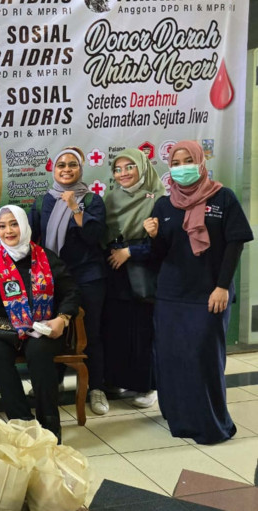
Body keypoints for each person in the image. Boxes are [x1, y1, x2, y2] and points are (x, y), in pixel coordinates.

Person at [144, 140, 253, 444]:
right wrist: (153, 237)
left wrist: (222, 287)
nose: (181, 167)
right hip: (170, 296)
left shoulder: (223, 198)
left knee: (204, 358)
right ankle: (180, 419)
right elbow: (159, 256)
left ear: (200, 160)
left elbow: (235, 245)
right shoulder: (164, 205)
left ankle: (211, 424)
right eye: (175, 163)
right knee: (172, 358)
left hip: (208, 294)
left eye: (186, 160)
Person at [0, 206, 80, 441]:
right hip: (1, 328)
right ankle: (23, 424)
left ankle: (49, 426)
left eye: (13, 224)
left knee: (39, 353)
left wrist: (63, 318)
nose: (8, 230)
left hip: (40, 326)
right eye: (2, 226)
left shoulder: (46, 257)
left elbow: (71, 291)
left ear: (24, 225)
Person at [30, 146, 109, 415]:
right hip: (54, 278)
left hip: (88, 277)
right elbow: (33, 241)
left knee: (92, 333)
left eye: (72, 164)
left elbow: (95, 236)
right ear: (54, 169)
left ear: (81, 169)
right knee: (53, 331)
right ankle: (55, 380)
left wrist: (75, 208)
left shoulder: (93, 200)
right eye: (61, 164)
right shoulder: (43, 201)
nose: (66, 169)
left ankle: (96, 388)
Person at [102, 149, 165, 408]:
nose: (123, 173)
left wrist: (131, 251)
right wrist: (116, 251)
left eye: (130, 167)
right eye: (118, 169)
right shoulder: (110, 198)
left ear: (142, 167)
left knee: (144, 330)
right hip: (115, 272)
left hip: (144, 271)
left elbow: (164, 243)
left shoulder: (159, 199)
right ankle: (118, 380)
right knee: (117, 329)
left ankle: (149, 386)